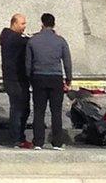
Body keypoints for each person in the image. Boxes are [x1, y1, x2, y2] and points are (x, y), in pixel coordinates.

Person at [25, 13, 72, 150]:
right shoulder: (61, 41)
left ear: (42, 24)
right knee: (56, 111)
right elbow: (67, 63)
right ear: (54, 24)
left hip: (38, 77)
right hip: (55, 78)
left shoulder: (33, 41)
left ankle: (38, 142)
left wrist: (29, 78)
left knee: (39, 111)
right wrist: (68, 79)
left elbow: (28, 63)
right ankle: (57, 142)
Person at [0, 14, 32, 148]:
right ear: (14, 23)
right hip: (15, 80)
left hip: (19, 79)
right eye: (22, 24)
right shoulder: (10, 37)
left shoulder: (13, 37)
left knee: (24, 109)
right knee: (18, 109)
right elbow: (23, 42)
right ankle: (17, 139)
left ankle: (19, 137)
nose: (24, 27)